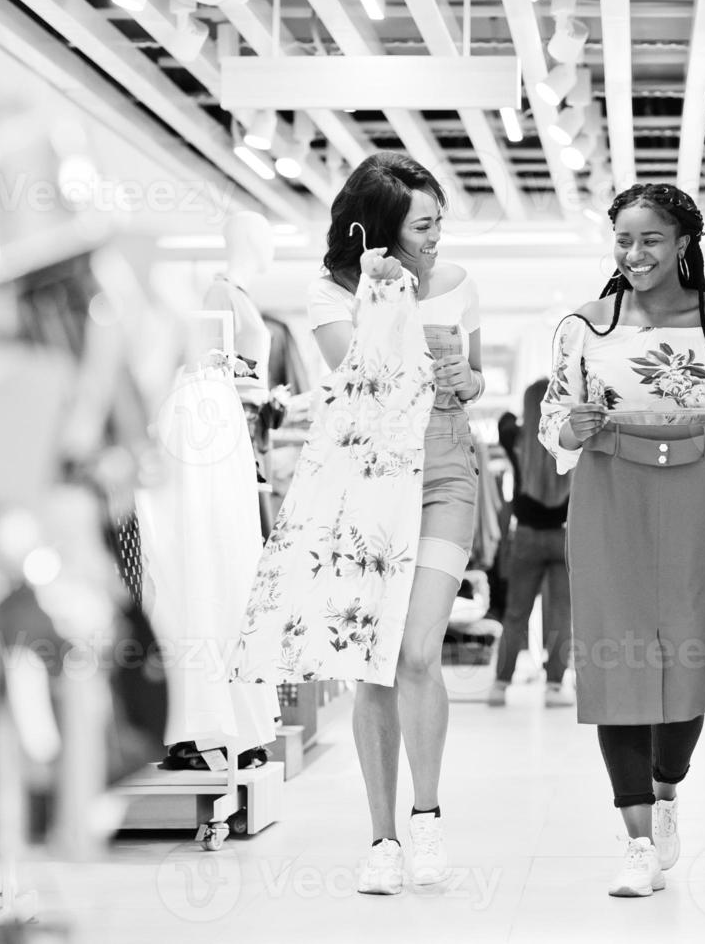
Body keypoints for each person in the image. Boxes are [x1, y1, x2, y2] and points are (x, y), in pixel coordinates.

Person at [233, 153, 484, 896]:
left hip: (444, 468)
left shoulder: (462, 285)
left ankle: (428, 815)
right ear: (380, 230)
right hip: (371, 478)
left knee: (415, 652)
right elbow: (361, 380)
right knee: (372, 660)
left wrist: (468, 379)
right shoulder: (329, 293)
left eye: (441, 222)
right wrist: (385, 296)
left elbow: (467, 377)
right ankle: (383, 838)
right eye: (423, 225)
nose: (437, 237)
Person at [540, 184, 705, 897]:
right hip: (610, 488)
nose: (634, 255)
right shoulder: (584, 326)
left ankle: (667, 790)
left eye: (650, 240)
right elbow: (556, 425)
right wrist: (569, 428)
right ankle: (637, 842)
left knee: (693, 656)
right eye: (623, 240)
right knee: (618, 662)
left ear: (684, 245)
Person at [488, 378, 574, 708]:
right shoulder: (568, 440)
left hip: (525, 537)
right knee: (561, 615)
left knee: (515, 614)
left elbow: (504, 420)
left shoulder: (515, 439)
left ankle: (500, 684)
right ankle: (554, 687)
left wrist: (530, 408)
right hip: (563, 535)